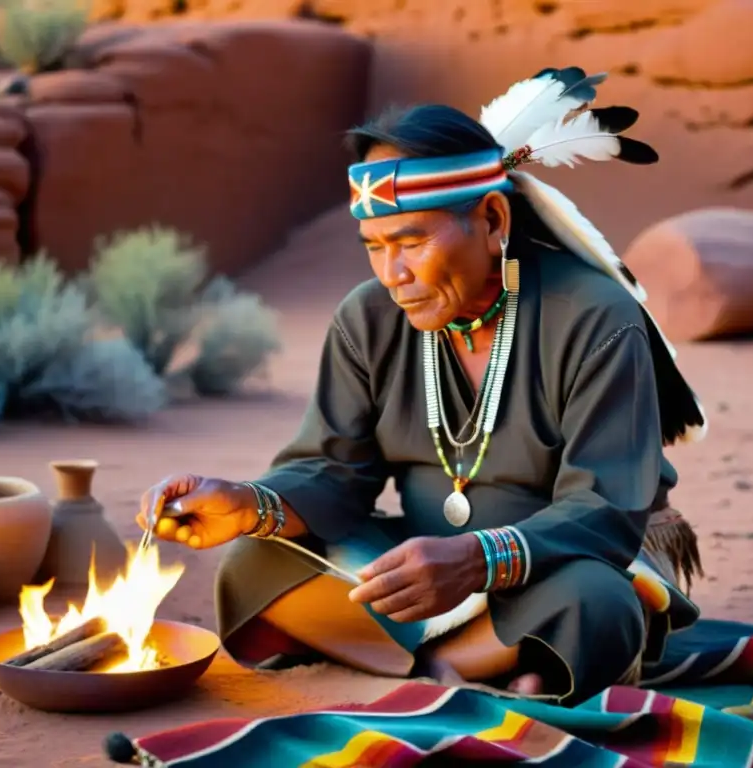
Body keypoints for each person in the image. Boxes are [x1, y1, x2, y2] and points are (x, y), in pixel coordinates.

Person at [139, 67, 707, 703]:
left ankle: (429, 666)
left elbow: (603, 510)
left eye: (410, 241)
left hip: (550, 570)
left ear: (492, 220)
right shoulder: (368, 318)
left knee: (598, 604)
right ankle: (485, 668)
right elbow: (333, 472)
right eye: (374, 246)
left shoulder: (595, 317)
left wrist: (476, 561)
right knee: (254, 561)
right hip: (421, 574)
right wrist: (251, 503)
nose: (392, 274)